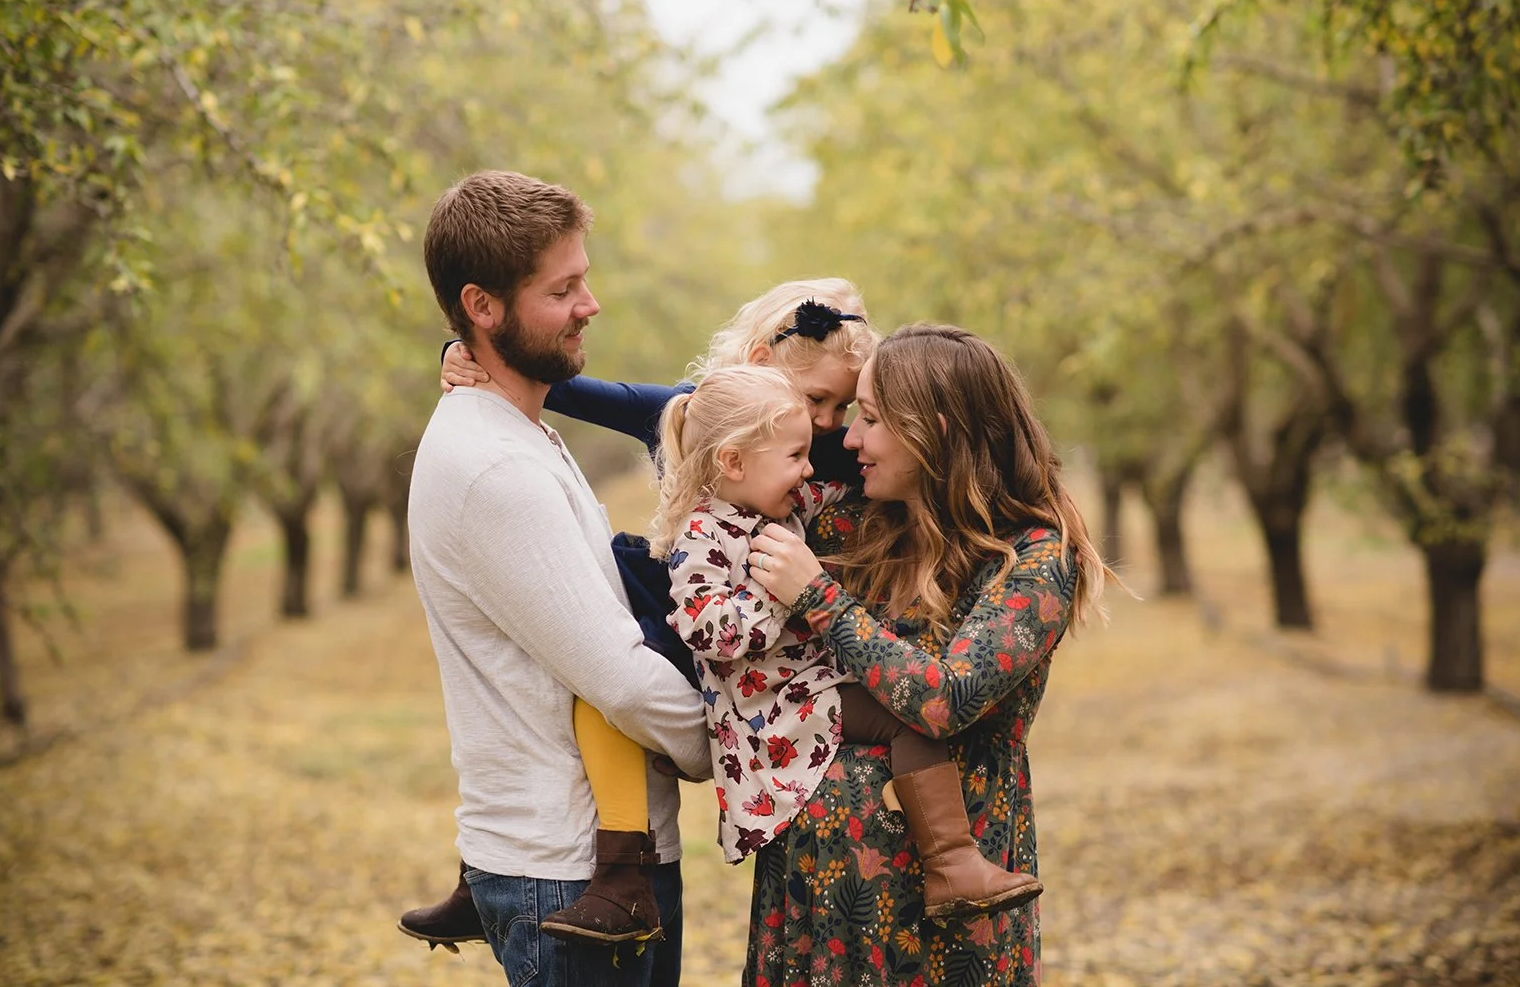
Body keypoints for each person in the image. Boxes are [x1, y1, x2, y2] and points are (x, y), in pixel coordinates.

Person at [400, 279, 879, 947]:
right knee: (595, 651)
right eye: (818, 400)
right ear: (763, 371)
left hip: (769, 634)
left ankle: (600, 869)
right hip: (706, 603)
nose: (830, 423)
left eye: (845, 406)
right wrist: (465, 347)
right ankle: (494, 872)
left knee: (606, 671)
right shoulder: (694, 413)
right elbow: (565, 386)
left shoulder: (837, 451)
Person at [740, 323, 1117, 986]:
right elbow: (721, 469)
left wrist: (821, 599)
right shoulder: (848, 524)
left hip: (935, 914)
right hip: (811, 895)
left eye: (872, 419)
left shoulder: (1033, 556)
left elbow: (946, 701)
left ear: (934, 430)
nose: (848, 438)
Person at [405, 169, 710, 987]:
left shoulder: (521, 427)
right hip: (570, 875)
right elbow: (620, 678)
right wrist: (732, 744)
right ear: (482, 306)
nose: (590, 303)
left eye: (586, 278)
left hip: (592, 860)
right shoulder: (492, 467)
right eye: (563, 288)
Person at [649, 362, 1044, 919]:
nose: (813, 468)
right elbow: (706, 630)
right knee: (902, 718)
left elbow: (835, 490)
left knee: (904, 716)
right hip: (777, 705)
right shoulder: (703, 537)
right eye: (795, 457)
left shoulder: (776, 508)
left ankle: (950, 858)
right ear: (733, 463)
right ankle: (952, 862)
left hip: (804, 691)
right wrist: (785, 591)